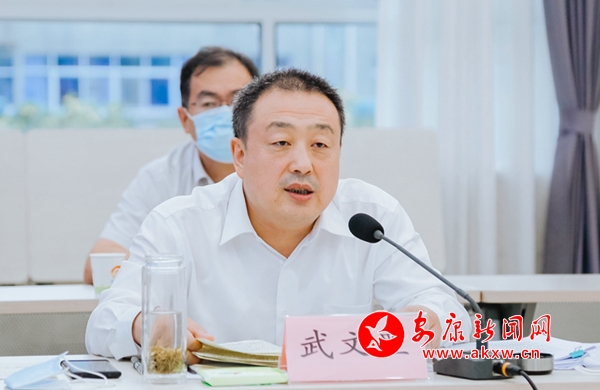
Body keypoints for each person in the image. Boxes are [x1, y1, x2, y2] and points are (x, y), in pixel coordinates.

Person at [86, 69, 471, 362]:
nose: (303, 163)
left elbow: (448, 310)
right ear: (239, 156)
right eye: (281, 142)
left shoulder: (373, 218)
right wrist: (144, 325)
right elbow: (105, 323)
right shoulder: (179, 225)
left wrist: (425, 318)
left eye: (320, 144)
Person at [83, 47, 259, 284]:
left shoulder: (282, 170)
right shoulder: (161, 177)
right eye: (209, 103)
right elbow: (100, 264)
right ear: (185, 119)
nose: (225, 112)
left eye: (237, 101)